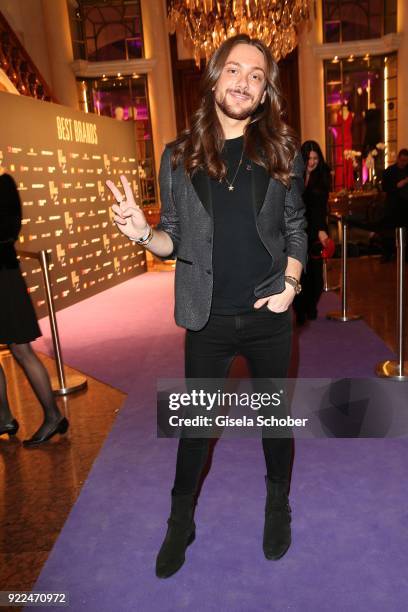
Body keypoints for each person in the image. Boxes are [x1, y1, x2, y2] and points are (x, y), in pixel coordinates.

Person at [106, 34, 307, 578]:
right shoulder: (179, 156)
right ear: (215, 76)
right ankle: (180, 521)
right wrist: (145, 234)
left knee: (274, 421)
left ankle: (277, 505)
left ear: (265, 92)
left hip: (270, 316)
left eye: (256, 75)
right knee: (195, 428)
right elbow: (174, 239)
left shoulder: (282, 151)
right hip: (208, 318)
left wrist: (291, 285)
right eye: (234, 70)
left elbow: (295, 229)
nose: (243, 81)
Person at [0, 171, 69, 446]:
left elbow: (8, 230)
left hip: (4, 277)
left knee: (21, 349)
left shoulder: (4, 185)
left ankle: (53, 416)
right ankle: (4, 418)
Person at [293, 141, 330, 325]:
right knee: (299, 274)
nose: (312, 162)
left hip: (316, 230)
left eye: (315, 158)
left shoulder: (323, 176)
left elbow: (322, 208)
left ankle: (312, 305)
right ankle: (300, 310)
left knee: (316, 277)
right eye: (308, 158)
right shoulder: (294, 175)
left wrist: (322, 230)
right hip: (296, 230)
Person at [381, 149, 408, 260]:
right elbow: (385, 187)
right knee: (389, 231)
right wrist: (400, 184)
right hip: (393, 205)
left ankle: (405, 255)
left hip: (406, 206)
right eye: (402, 160)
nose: (404, 163)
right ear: (398, 159)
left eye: (406, 161)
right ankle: (388, 254)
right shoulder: (389, 171)